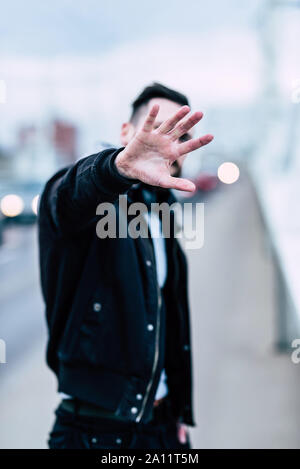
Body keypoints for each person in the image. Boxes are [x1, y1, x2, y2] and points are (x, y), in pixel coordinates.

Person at [38, 82, 214, 449]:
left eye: (182, 134)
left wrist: (177, 414)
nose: (170, 141)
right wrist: (116, 168)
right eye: (159, 127)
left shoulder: (161, 211)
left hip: (161, 427)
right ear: (125, 133)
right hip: (96, 433)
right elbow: (65, 198)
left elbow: (166, 319)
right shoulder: (95, 198)